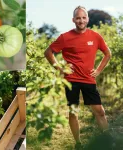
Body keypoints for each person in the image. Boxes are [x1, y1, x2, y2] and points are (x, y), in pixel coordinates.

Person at [44, 6, 112, 149]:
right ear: (73, 20)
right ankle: (78, 143)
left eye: (83, 18)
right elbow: (48, 52)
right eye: (78, 18)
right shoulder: (65, 37)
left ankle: (107, 140)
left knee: (100, 111)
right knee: (73, 112)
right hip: (71, 81)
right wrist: (60, 68)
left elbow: (107, 54)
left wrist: (98, 70)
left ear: (87, 19)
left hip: (89, 80)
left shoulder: (95, 36)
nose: (81, 21)